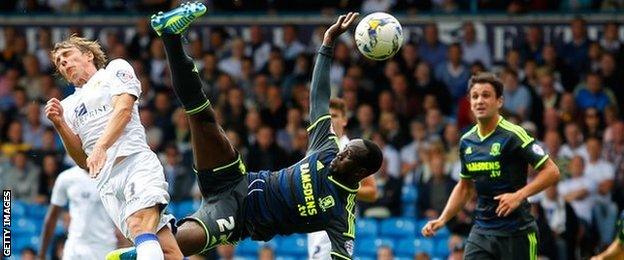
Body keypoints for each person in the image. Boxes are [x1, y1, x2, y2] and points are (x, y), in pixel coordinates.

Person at [107, 5, 382, 260]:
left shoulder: (341, 215)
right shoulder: (327, 148)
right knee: (201, 115)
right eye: (345, 149)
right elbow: (319, 97)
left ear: (359, 172)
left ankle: (137, 253)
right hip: (238, 178)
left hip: (239, 217)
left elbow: (342, 256)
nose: (340, 154)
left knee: (177, 246)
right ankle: (170, 35)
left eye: (348, 156)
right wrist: (327, 44)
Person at [45, 33, 183, 258]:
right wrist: (60, 124)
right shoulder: (67, 106)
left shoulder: (114, 70)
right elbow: (82, 161)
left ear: (88, 55)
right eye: (59, 62)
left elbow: (124, 110)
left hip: (135, 163)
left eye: (67, 55)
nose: (63, 63)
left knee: (139, 225)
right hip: (106, 185)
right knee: (168, 252)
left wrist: (100, 146)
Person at [421, 73, 560, 259]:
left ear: (499, 101)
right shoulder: (466, 141)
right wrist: (443, 219)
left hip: (517, 232)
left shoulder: (514, 135)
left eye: (486, 95)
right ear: (470, 102)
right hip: (482, 231)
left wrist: (518, 196)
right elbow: (465, 187)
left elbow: (552, 171)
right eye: (475, 96)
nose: (479, 101)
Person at [307, 98, 378, 260]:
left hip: (338, 219)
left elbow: (373, 192)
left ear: (344, 120)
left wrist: (344, 187)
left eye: (335, 115)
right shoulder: (317, 147)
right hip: (315, 221)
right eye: (327, 116)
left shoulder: (353, 151)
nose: (331, 121)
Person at [38, 166, 118, 259]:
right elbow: (52, 217)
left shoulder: (111, 175)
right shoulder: (66, 177)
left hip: (104, 246)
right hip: (75, 244)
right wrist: (42, 253)